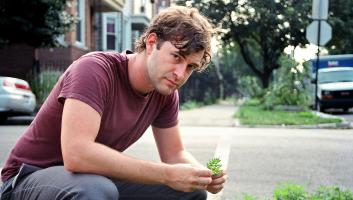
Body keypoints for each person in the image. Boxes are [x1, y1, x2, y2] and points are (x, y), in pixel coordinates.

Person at [0, 5, 226, 200]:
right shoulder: (95, 70)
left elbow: (175, 154)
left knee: (189, 192)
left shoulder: (165, 93)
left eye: (190, 67)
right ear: (151, 42)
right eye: (176, 57)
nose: (180, 73)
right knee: (95, 189)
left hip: (88, 178)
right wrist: (168, 174)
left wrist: (200, 175)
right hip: (26, 180)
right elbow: (77, 154)